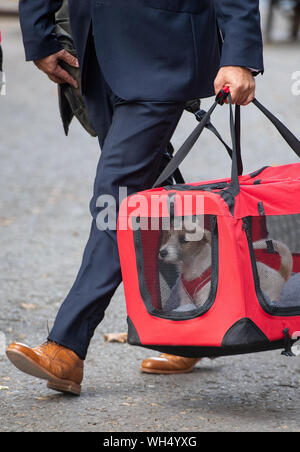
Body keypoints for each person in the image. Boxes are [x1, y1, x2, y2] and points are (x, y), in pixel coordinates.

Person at [6, 0, 264, 395]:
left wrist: (240, 54)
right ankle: (190, 325)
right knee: (145, 187)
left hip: (168, 48)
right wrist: (39, 33)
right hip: (89, 50)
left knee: (116, 196)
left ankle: (67, 346)